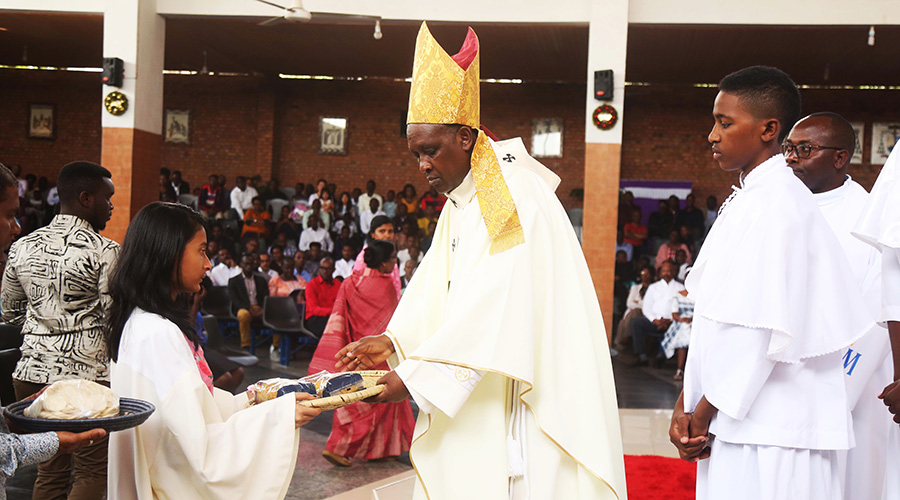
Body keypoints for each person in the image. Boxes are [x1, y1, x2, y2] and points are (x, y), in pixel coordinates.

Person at [333, 23, 624, 499]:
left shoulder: (509, 196)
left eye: (431, 150)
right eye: (415, 154)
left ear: (465, 137)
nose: (423, 165)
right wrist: (393, 339)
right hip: (481, 379)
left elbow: (497, 304)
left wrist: (410, 379)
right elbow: (435, 283)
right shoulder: (464, 197)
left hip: (524, 392)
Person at [671, 66, 871, 500]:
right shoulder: (752, 196)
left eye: (725, 123)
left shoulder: (778, 203)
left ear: (768, 129)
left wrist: (702, 411)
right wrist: (686, 402)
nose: (712, 135)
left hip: (776, 430)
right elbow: (716, 318)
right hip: (742, 419)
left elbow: (758, 331)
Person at [105, 202, 320, 499]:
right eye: (201, 250)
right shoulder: (158, 333)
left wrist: (256, 399)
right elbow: (198, 451)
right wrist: (279, 419)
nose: (208, 264)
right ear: (168, 252)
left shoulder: (139, 321)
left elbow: (190, 411)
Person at [786, 112, 894, 499]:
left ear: (839, 157)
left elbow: (877, 315)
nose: (791, 158)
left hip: (850, 384)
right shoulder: (778, 207)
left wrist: (836, 388)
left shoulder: (864, 220)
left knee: (851, 481)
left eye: (804, 149)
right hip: (784, 380)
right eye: (789, 148)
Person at [1, 161, 118, 499]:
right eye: (107, 198)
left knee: (49, 469)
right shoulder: (106, 251)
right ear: (85, 198)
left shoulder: (22, 247)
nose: (111, 206)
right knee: (92, 471)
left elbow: (9, 312)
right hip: (87, 377)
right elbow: (112, 316)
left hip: (31, 375)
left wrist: (45, 328)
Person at [308, 241, 414, 467]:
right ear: (384, 262)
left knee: (355, 402)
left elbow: (339, 316)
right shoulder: (386, 286)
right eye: (393, 258)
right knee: (383, 402)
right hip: (380, 355)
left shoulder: (349, 282)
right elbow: (393, 324)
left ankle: (383, 450)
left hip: (355, 352)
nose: (395, 262)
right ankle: (339, 447)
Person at [630, 260, 683, 366]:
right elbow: (646, 308)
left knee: (680, 327)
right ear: (660, 273)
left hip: (672, 322)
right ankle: (642, 356)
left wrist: (669, 320)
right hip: (655, 322)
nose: (667, 273)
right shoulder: (653, 287)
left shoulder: (680, 288)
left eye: (669, 271)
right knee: (635, 323)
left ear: (674, 272)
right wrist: (656, 320)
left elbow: (682, 309)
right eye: (664, 271)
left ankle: (662, 355)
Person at [353, 215, 401, 299]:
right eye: (382, 231)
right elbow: (357, 286)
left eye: (390, 231)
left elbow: (396, 284)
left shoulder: (391, 254)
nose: (387, 235)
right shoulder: (364, 256)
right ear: (373, 235)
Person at [229, 254, 269, 350]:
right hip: (243, 307)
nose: (249, 266)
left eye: (251, 264)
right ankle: (245, 345)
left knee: (274, 314)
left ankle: (276, 346)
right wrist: (249, 309)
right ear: (241, 265)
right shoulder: (233, 281)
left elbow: (266, 297)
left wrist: (262, 309)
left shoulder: (261, 280)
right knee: (243, 315)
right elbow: (235, 300)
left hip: (259, 307)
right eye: (246, 264)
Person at [612, 265, 655, 353]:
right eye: (643, 273)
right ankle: (626, 336)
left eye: (647, 274)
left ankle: (623, 339)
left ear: (651, 275)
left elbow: (651, 306)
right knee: (632, 314)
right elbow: (629, 303)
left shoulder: (654, 288)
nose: (645, 276)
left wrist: (637, 303)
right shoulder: (635, 288)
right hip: (633, 313)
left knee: (632, 313)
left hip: (647, 314)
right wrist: (642, 304)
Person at [661, 286, 694, 381]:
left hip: (695, 322)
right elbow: (674, 314)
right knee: (685, 330)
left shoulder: (700, 294)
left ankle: (683, 370)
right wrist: (682, 319)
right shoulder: (678, 295)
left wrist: (691, 319)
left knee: (688, 331)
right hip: (680, 322)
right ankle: (680, 369)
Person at [304, 257, 340, 336]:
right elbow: (314, 309)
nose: (325, 271)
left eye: (328, 269)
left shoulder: (339, 285)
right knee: (334, 326)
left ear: (333, 270)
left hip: (333, 317)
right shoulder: (312, 285)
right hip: (314, 319)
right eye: (322, 268)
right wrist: (333, 312)